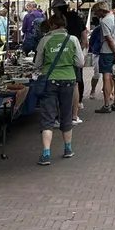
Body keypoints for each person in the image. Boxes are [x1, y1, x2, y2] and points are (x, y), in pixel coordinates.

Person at [33, 13, 84, 165]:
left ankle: (46, 153)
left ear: (53, 25)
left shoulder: (45, 40)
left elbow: (37, 64)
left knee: (48, 117)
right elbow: (80, 62)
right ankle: (68, 148)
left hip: (50, 80)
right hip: (68, 79)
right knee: (66, 114)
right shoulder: (73, 39)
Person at [93, 2, 115, 114]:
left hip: (107, 51)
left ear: (101, 11)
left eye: (96, 12)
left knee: (106, 77)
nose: (95, 14)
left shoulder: (104, 21)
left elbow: (109, 39)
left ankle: (106, 104)